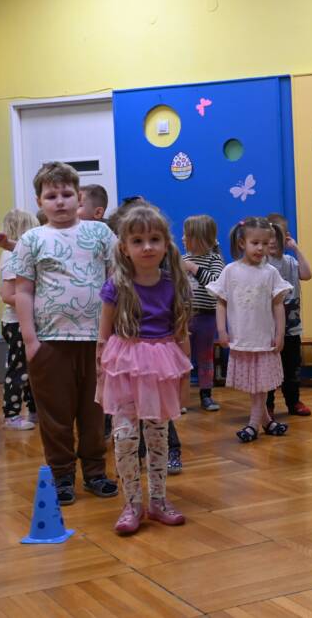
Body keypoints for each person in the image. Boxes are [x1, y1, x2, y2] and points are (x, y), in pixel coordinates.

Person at [12, 161, 119, 505]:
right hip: (50, 343)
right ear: (39, 201)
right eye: (51, 196)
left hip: (97, 342)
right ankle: (61, 476)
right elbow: (22, 291)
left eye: (67, 194)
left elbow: (116, 283)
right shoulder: (32, 239)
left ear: (79, 197)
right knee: (55, 416)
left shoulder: (101, 234)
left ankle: (95, 472)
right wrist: (31, 341)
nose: (59, 201)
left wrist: (116, 334)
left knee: (94, 412)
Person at [97, 205, 192, 534]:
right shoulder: (116, 286)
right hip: (124, 367)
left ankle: (158, 501)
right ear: (124, 247)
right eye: (138, 241)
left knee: (158, 436)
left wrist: (185, 380)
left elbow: (181, 334)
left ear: (166, 244)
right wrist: (100, 379)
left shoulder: (173, 284)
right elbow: (103, 337)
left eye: (154, 239)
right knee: (125, 438)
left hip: (160, 368)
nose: (147, 247)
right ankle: (132, 504)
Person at [207, 217, 292, 442]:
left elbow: (278, 305)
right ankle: (267, 422)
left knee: (260, 384)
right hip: (242, 337)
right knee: (255, 384)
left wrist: (280, 334)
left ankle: (253, 425)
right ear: (242, 243)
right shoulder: (230, 271)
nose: (260, 248)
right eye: (255, 243)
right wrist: (221, 330)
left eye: (265, 243)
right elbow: (221, 302)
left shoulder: (270, 273)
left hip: (264, 339)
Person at [265, 213, 312, 417]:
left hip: (292, 328)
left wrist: (296, 248)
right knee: (268, 368)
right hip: (268, 330)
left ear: (286, 237)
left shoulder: (290, 262)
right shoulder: (262, 265)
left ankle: (293, 401)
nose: (272, 241)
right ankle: (267, 404)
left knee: (292, 367)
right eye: (268, 237)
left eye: (277, 236)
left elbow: (307, 274)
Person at [0, 209, 40, 430]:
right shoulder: (12, 257)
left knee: (32, 369)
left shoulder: (19, 255)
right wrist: (37, 301)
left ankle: (34, 410)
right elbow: (7, 295)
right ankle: (11, 414)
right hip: (16, 323)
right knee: (18, 369)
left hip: (24, 321)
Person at [182, 215, 225, 414]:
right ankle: (180, 397)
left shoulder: (214, 260)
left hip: (207, 317)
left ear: (199, 238)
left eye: (187, 235)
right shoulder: (182, 260)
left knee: (205, 357)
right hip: (184, 318)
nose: (183, 238)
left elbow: (216, 285)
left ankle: (206, 394)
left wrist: (193, 268)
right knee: (182, 357)